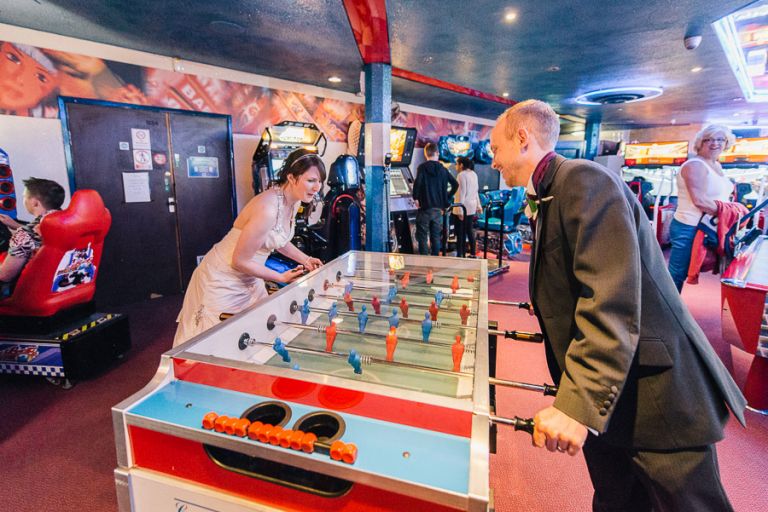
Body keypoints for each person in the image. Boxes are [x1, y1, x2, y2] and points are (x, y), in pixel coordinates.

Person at [490, 100, 746, 512]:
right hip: (614, 393)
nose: (494, 160)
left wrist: (577, 404)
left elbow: (609, 299)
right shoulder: (554, 190)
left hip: (655, 392)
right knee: (618, 501)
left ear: (522, 139)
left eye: (495, 148)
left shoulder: (583, 181)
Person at [173, 149, 325, 346]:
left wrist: (305, 259)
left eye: (320, 181)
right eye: (311, 180)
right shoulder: (268, 207)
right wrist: (279, 277)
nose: (317, 187)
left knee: (253, 335)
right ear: (291, 177)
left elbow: (277, 239)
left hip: (251, 276)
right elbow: (239, 260)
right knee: (214, 339)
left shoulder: (293, 202)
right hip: (223, 275)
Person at [668, 125, 735, 292]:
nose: (715, 143)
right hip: (689, 226)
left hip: (709, 225)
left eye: (720, 139)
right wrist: (731, 212)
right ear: (700, 142)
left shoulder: (717, 166)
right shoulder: (695, 165)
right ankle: (663, 313)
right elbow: (700, 201)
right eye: (709, 139)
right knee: (676, 275)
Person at [0, 177, 65, 296]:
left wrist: (20, 233)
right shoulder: (68, 222)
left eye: (25, 197)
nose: (23, 200)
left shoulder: (25, 235)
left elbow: (4, 276)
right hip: (61, 286)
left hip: (32, 293)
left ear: (35, 202)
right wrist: (17, 226)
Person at [412, 143, 458, 255]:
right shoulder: (443, 169)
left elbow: (417, 184)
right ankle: (435, 260)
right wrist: (446, 198)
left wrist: (416, 197)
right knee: (436, 236)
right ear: (437, 153)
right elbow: (455, 184)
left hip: (425, 208)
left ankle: (424, 261)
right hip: (438, 209)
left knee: (422, 236)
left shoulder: (422, 168)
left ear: (426, 154)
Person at [451, 156, 482, 257]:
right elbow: (476, 191)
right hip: (471, 207)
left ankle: (460, 254)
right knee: (469, 230)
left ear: (461, 165)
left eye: (457, 164)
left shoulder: (461, 175)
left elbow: (461, 193)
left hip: (462, 207)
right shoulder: (474, 174)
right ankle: (472, 253)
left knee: (460, 233)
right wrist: (479, 205)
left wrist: (460, 210)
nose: (456, 166)